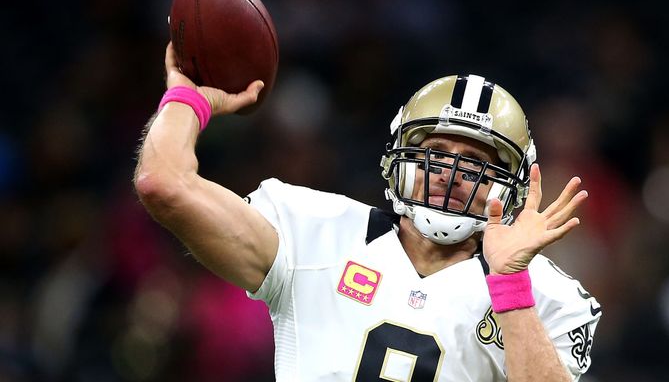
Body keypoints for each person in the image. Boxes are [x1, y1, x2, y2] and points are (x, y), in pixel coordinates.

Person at [134, 43, 602, 381]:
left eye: (477, 164)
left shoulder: (545, 294)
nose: (451, 174)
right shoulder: (310, 231)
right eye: (436, 154)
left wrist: (510, 286)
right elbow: (163, 184)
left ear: (514, 186)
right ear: (400, 159)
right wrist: (188, 98)